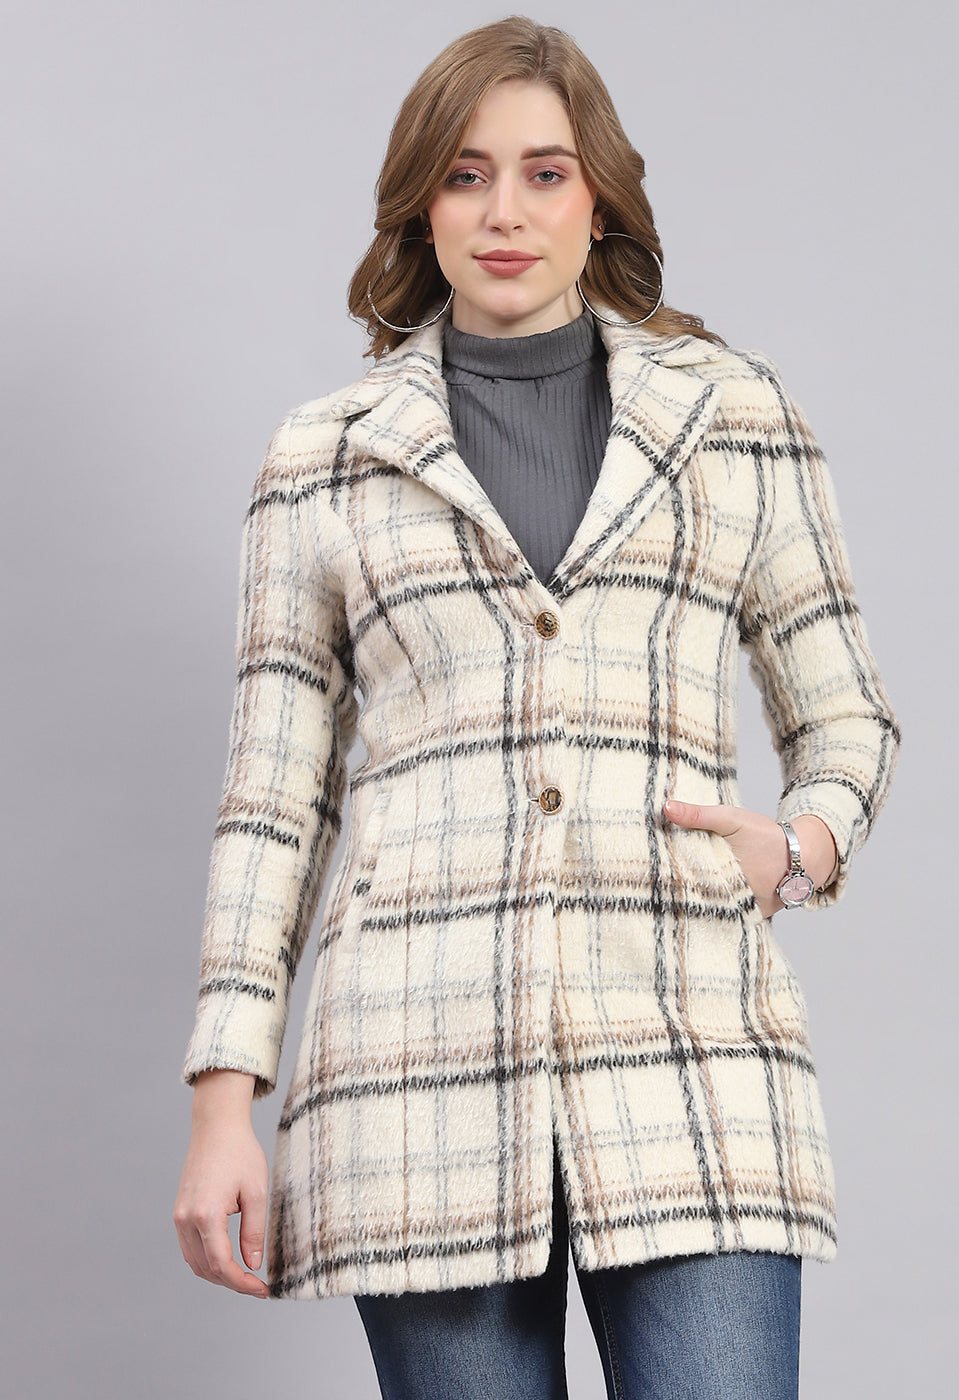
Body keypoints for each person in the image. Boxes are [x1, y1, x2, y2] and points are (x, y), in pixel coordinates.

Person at [173, 16, 900, 1400]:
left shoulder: (734, 416)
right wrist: (223, 1106)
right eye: (465, 176)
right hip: (412, 1074)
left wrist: (801, 846)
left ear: (600, 200)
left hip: (691, 1043)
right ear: (421, 208)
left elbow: (849, 715)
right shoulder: (324, 458)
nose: (504, 211)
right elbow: (272, 803)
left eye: (545, 173)